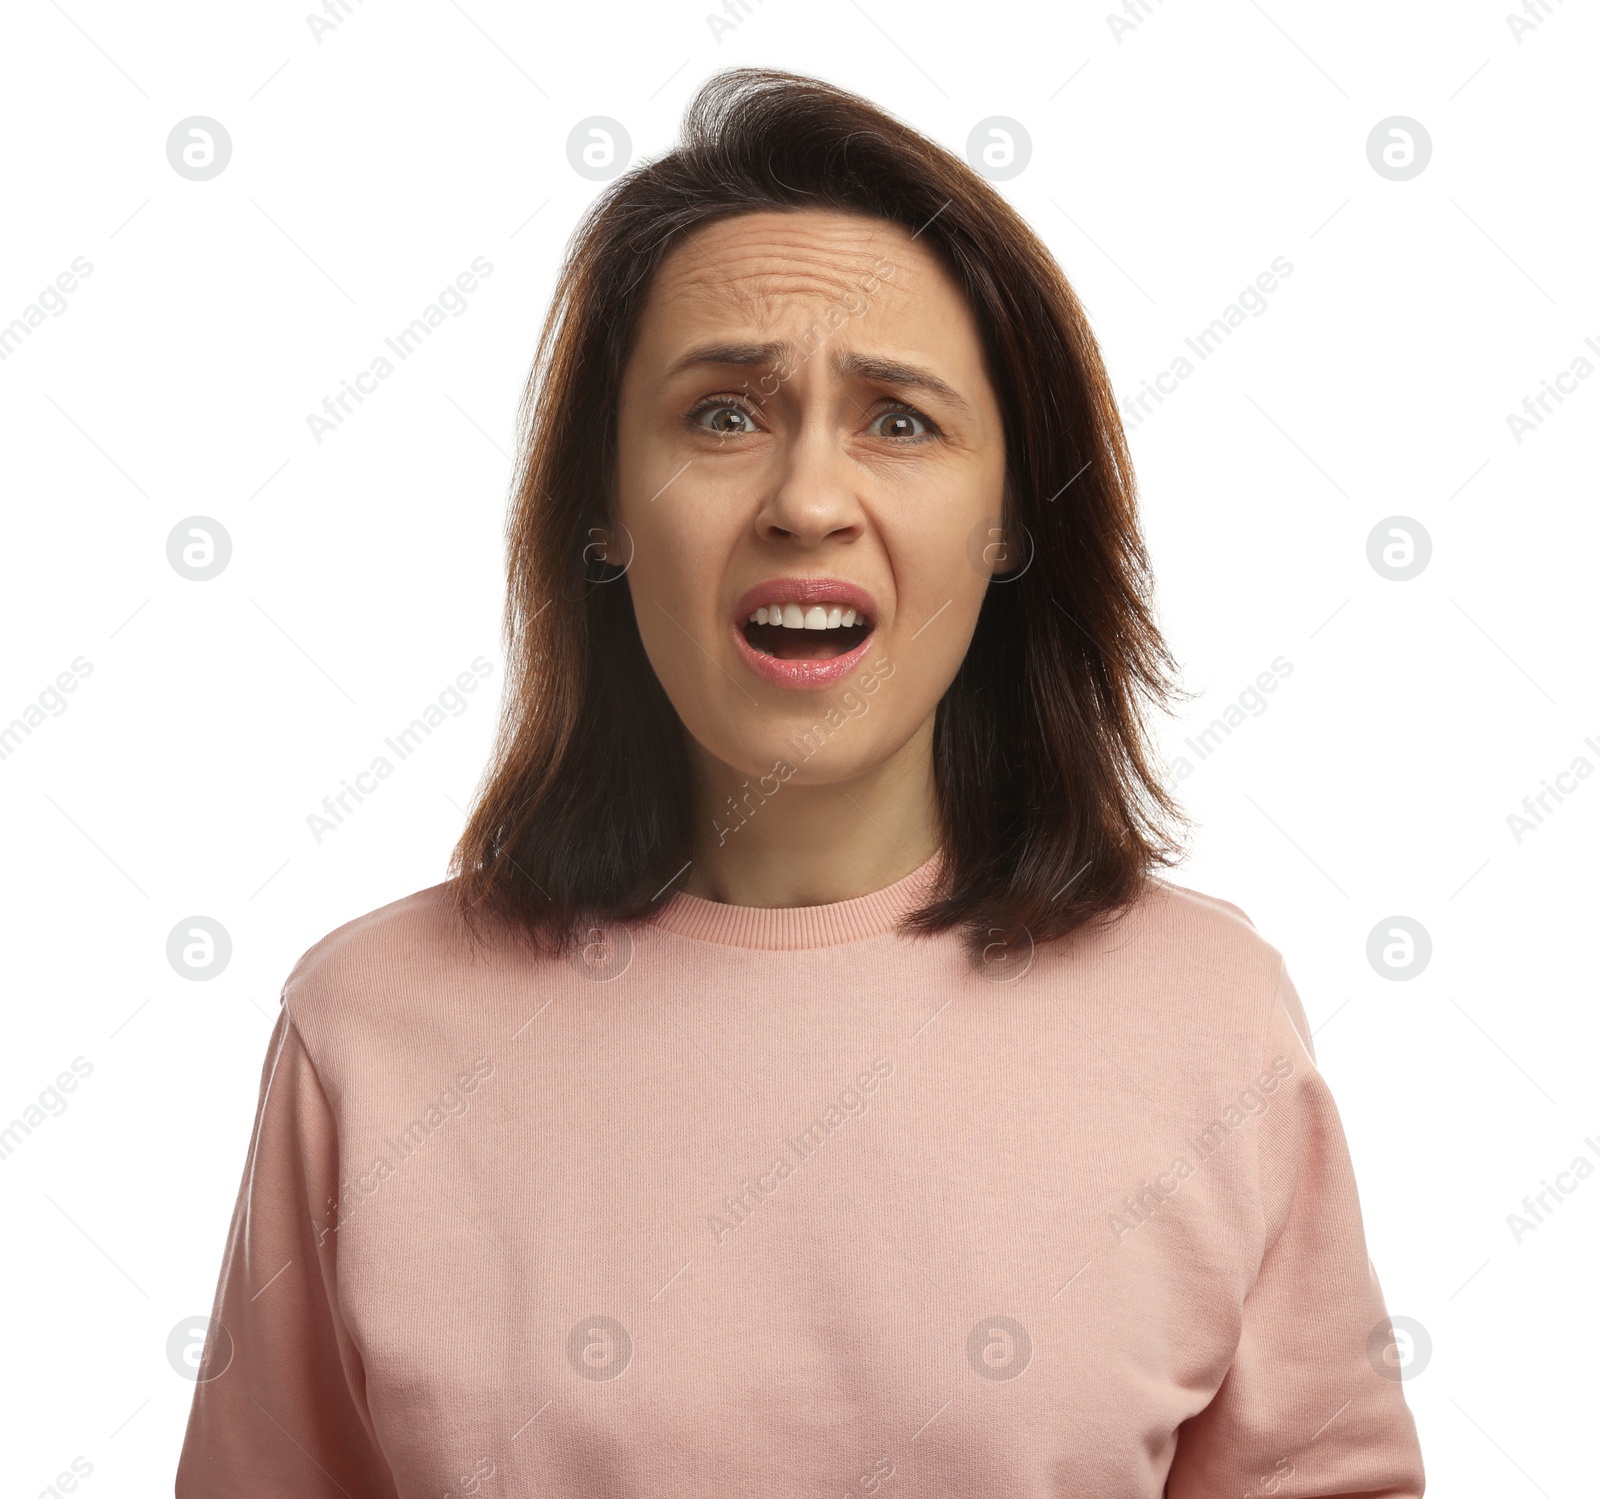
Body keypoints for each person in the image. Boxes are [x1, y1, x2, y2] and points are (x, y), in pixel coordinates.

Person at [176, 67, 1425, 1497]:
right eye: (722, 415)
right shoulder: (366, 1032)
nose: (807, 500)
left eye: (900, 421)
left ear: (1010, 520)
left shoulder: (1209, 1022)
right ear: (602, 510)